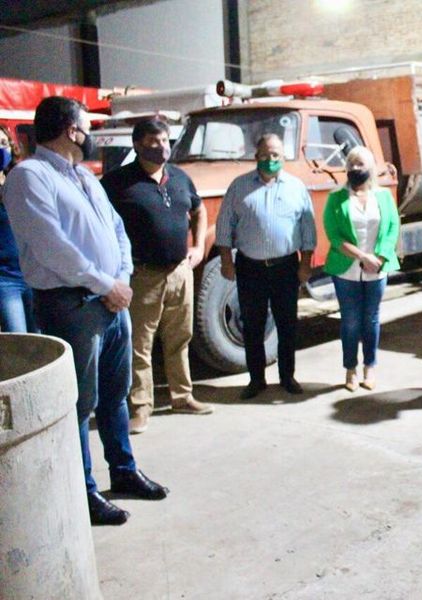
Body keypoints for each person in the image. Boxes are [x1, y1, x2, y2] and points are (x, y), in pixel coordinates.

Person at [4, 96, 168, 526]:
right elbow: (52, 246)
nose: (89, 134)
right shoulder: (28, 177)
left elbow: (116, 227)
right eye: (85, 126)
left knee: (115, 395)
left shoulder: (84, 176)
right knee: (78, 403)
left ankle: (124, 470)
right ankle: (85, 491)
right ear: (69, 130)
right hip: (72, 304)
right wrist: (106, 284)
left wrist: (124, 279)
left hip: (113, 300)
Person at [101, 119, 213, 434]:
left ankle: (183, 396)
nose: (162, 146)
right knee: (140, 344)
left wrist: (198, 245)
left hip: (180, 272)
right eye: (153, 140)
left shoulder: (179, 177)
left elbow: (199, 210)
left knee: (180, 338)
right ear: (137, 145)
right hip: (141, 276)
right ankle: (141, 407)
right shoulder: (116, 183)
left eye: (165, 139)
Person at [216, 133, 316, 400]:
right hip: (251, 268)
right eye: (266, 154)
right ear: (256, 156)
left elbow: (308, 229)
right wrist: (226, 261)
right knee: (253, 325)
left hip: (285, 267)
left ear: (282, 157)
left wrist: (306, 264)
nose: (271, 159)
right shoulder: (239, 187)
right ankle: (256, 379)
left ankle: (287, 377)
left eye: (276, 155)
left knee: (287, 325)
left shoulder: (296, 187)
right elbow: (224, 225)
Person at [323, 146, 400, 391]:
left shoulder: (384, 197)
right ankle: (350, 370)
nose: (356, 169)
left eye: (361, 164)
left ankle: (370, 368)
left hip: (377, 268)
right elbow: (333, 235)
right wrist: (361, 256)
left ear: (371, 168)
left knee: (372, 319)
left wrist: (378, 257)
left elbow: (392, 229)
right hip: (346, 269)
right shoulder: (336, 198)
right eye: (352, 164)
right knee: (351, 321)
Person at [0, 124, 37, 333]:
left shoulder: (20, 179)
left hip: (32, 275)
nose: (1, 149)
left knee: (41, 340)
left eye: (4, 143)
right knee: (18, 338)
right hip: (5, 280)